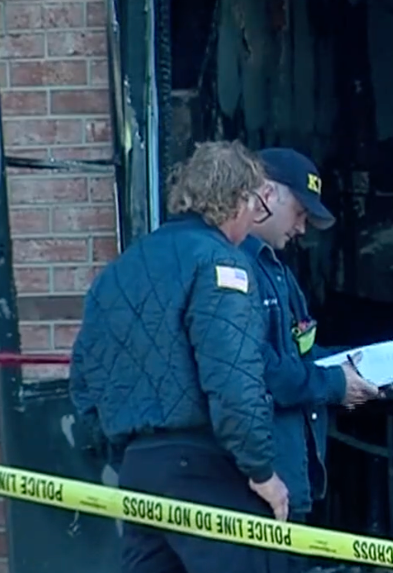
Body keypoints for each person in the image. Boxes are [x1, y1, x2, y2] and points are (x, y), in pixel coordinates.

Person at [70, 141, 289, 573]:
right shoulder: (222, 264)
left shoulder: (119, 270)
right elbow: (233, 380)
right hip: (206, 469)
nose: (253, 219)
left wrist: (123, 455)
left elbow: (84, 379)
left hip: (139, 470)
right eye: (255, 204)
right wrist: (262, 471)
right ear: (238, 200)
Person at [240, 148, 380, 549]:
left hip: (288, 475)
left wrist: (357, 370)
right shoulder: (233, 268)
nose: (302, 228)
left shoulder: (279, 274)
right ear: (268, 194)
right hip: (258, 481)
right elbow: (264, 368)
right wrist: (336, 384)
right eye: (300, 212)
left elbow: (300, 355)